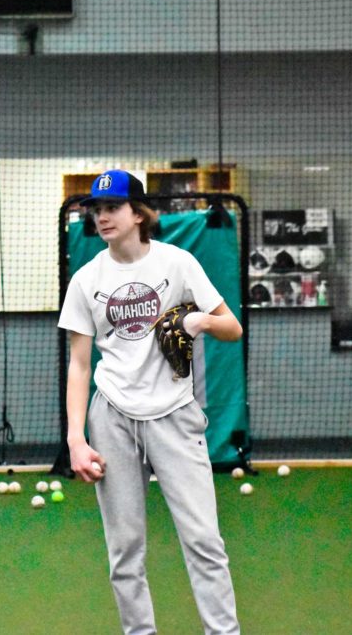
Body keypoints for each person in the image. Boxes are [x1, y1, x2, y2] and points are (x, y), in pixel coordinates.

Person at [58, 170, 243, 635]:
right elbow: (80, 365)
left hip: (175, 417)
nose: (102, 216)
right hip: (112, 418)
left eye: (113, 207)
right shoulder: (86, 280)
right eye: (97, 210)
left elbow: (232, 327)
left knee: (203, 540)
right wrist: (75, 439)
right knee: (124, 550)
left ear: (138, 213)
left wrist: (197, 320)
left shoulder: (177, 264)